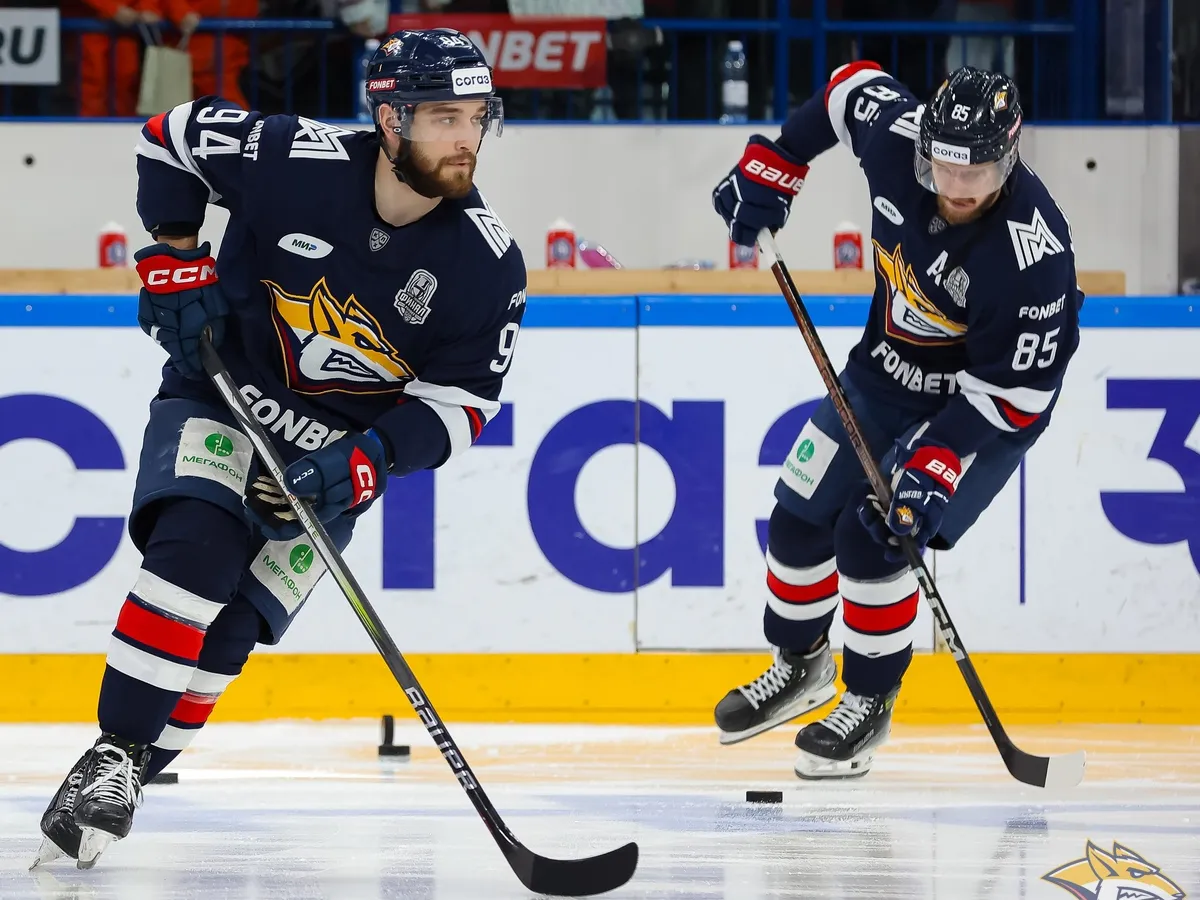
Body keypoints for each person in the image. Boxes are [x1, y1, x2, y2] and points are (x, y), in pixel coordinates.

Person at [33, 28, 525, 869]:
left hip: (330, 463)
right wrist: (175, 258)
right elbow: (169, 137)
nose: (466, 138)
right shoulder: (293, 156)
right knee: (196, 554)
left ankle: (127, 776)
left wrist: (368, 460)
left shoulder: (489, 265)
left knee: (231, 633)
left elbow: (462, 405)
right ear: (392, 118)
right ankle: (113, 753)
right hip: (224, 396)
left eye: (478, 118)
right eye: (445, 117)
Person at [710, 63, 1080, 778]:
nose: (956, 185)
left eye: (976, 171)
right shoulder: (898, 139)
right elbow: (850, 86)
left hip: (982, 410)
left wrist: (936, 462)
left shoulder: (1033, 254)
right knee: (797, 515)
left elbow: (1021, 393)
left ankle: (869, 700)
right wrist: (779, 160)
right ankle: (801, 666)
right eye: (944, 165)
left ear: (1009, 155)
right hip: (883, 373)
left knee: (875, 532)